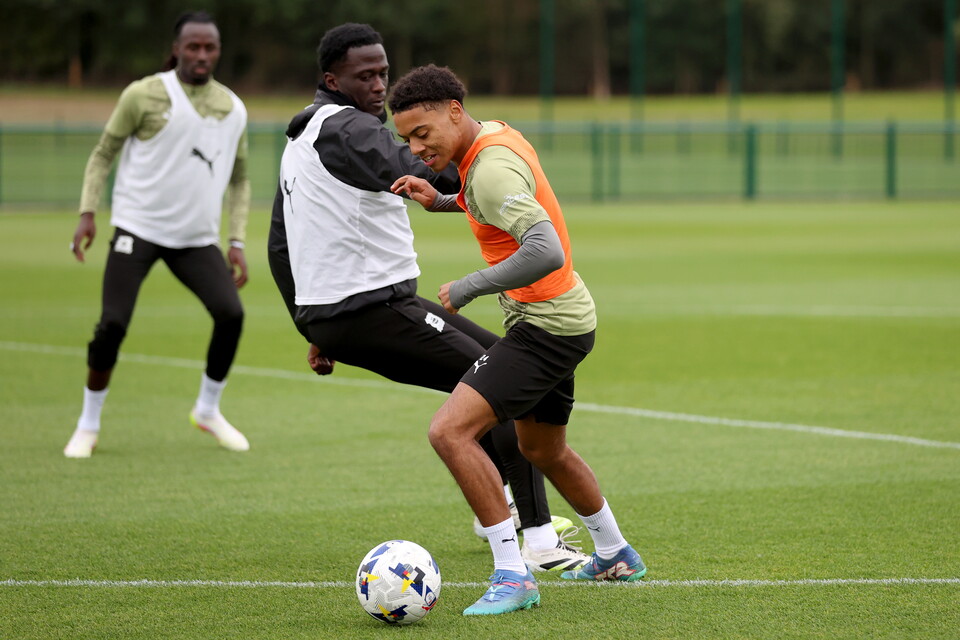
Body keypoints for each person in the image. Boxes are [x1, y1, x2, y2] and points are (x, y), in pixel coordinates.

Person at [267, 23, 589, 571]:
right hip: (373, 309)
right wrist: (482, 161)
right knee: (508, 386)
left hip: (351, 313)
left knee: (492, 381)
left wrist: (310, 326)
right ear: (332, 79)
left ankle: (505, 502)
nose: (376, 84)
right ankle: (535, 541)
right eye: (363, 75)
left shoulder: (302, 137)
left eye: (382, 73)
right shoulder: (348, 129)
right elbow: (419, 163)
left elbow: (281, 244)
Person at [389, 64, 647, 615]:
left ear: (453, 111)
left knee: (450, 432)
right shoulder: (493, 140)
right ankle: (614, 552)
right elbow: (487, 197)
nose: (414, 148)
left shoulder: (489, 170)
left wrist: (469, 285)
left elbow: (543, 247)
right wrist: (439, 200)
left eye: (422, 133)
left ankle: (512, 576)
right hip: (567, 319)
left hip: (545, 327)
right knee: (540, 448)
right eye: (406, 138)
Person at [64, 11, 251, 458]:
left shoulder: (234, 108)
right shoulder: (144, 94)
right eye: (193, 47)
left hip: (195, 238)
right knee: (112, 324)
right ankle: (88, 424)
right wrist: (88, 212)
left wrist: (237, 239)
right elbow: (103, 153)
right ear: (176, 49)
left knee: (231, 314)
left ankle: (207, 410)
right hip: (138, 228)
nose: (202, 54)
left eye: (210, 47)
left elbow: (240, 179)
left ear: (218, 51)